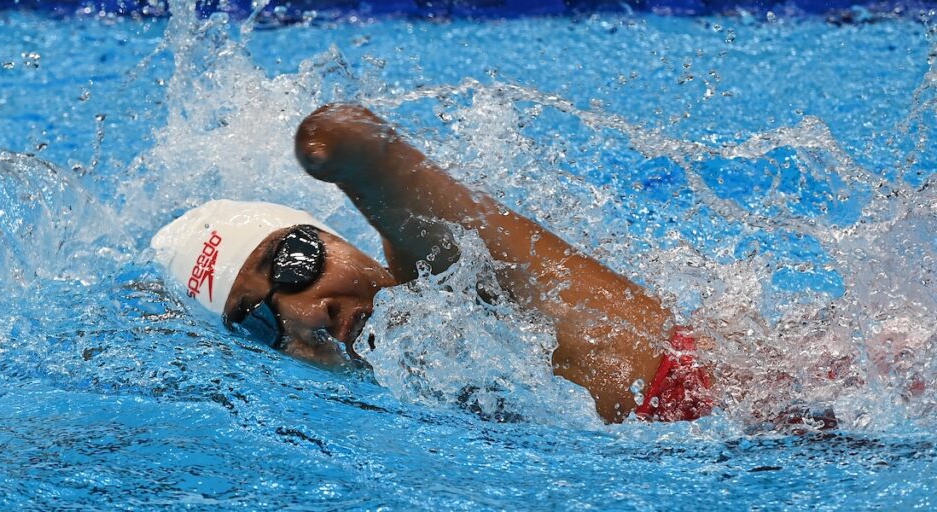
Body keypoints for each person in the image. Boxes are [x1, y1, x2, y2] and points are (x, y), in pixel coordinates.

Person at [151, 104, 713, 423]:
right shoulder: (407, 403)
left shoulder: (450, 268)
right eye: (258, 320)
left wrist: (336, 151)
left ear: (333, 236)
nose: (305, 312)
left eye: (296, 261)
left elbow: (375, 161)